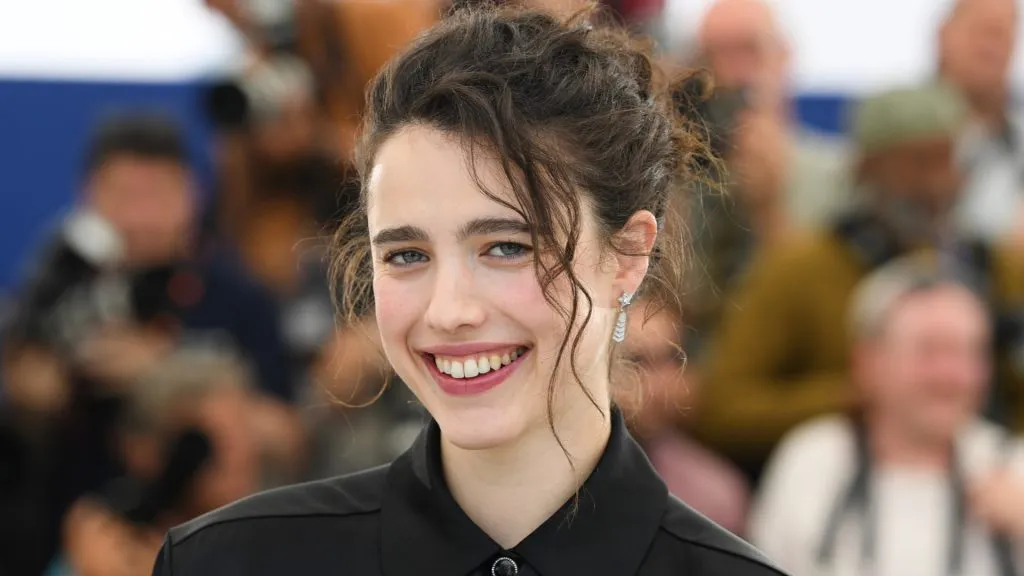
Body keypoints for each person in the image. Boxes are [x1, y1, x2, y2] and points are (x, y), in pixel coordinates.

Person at [151, 5, 785, 575]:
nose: (449, 310)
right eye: (407, 255)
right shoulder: (226, 563)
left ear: (627, 254)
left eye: (506, 247)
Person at [694, 84, 1024, 482]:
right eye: (917, 162)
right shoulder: (800, 270)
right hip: (835, 483)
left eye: (947, 160)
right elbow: (719, 409)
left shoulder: (995, 269)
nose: (937, 183)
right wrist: (856, 397)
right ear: (866, 168)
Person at [749, 255, 1024, 576]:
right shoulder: (813, 461)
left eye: (970, 353)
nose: (952, 376)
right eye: (930, 351)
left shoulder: (1011, 466)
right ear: (867, 361)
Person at [617, 297, 750, 535]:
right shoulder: (558, 487)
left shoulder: (714, 497)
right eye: (635, 360)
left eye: (672, 358)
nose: (659, 386)